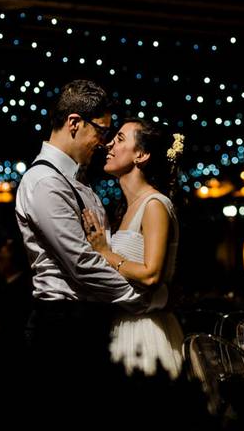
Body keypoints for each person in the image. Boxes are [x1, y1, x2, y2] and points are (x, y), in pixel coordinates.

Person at [14, 80, 158, 368]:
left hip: (86, 320)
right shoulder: (46, 182)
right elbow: (81, 263)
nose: (105, 142)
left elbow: (101, 251)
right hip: (62, 326)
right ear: (75, 123)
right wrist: (140, 300)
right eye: (102, 131)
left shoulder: (76, 178)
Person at [83, 118, 185, 379]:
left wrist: (106, 252)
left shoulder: (154, 205)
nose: (109, 145)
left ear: (141, 155)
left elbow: (152, 274)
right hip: (123, 325)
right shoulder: (127, 208)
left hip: (146, 331)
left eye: (119, 139)